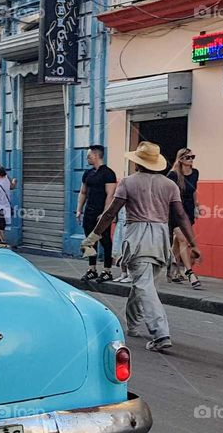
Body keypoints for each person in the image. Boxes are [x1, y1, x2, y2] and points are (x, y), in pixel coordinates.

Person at [82, 142, 200, 352]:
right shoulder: (169, 185)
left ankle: (160, 333)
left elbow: (110, 212)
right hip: (161, 237)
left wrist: (93, 236)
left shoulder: (128, 182)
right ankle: (133, 324)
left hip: (137, 236)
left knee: (143, 285)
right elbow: (181, 215)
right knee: (144, 283)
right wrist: (193, 243)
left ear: (137, 162)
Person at [75, 145, 118, 282]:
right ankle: (92, 269)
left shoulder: (108, 173)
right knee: (89, 241)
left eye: (88, 155)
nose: (87, 158)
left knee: (105, 241)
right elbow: (83, 192)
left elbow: (110, 195)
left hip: (102, 213)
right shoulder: (87, 173)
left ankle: (107, 271)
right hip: (89, 212)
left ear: (96, 155)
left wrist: (105, 213)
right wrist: (79, 210)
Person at [168, 148, 201, 289]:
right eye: (188, 157)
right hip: (175, 209)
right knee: (183, 239)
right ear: (180, 159)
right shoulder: (173, 175)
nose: (191, 160)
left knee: (178, 240)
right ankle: (189, 273)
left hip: (188, 209)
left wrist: (196, 206)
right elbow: (167, 194)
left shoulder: (195, 173)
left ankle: (172, 269)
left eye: (192, 157)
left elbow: (194, 190)